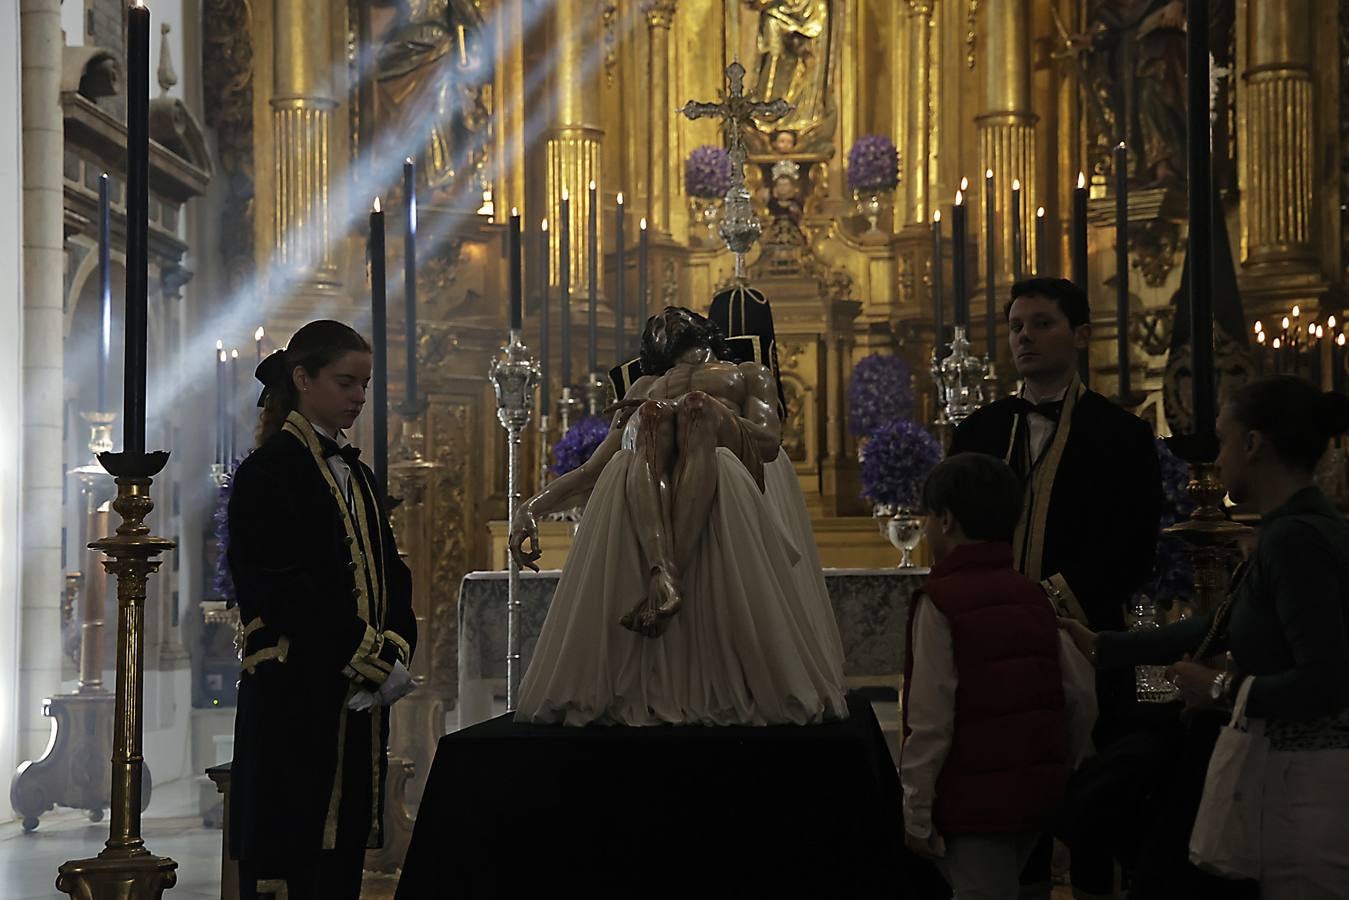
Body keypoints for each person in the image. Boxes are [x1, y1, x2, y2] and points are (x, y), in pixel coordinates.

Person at [1061, 376, 1349, 898]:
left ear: (1253, 445)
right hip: (1289, 776)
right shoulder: (1294, 525)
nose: (1215, 459)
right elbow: (1227, 620)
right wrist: (1107, 645)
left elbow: (1327, 681)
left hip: (1303, 784)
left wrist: (1215, 688)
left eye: (1222, 440)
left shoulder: (1294, 540)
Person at [509, 306, 846, 726]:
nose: (667, 316)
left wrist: (715, 413)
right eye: (657, 320)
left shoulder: (746, 372)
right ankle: (662, 573)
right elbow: (592, 471)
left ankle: (671, 574)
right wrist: (529, 508)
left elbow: (768, 443)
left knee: (696, 409)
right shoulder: (646, 386)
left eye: (678, 313)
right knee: (651, 416)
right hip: (655, 476)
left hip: (724, 457)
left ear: (705, 328)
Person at [948, 277, 1162, 896]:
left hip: (1089, 636)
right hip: (992, 643)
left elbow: (1134, 545)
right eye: (1016, 326)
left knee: (1094, 784)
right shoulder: (980, 432)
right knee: (1008, 783)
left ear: (1081, 335)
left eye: (1042, 323)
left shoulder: (1122, 436)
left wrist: (1052, 605)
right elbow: (955, 533)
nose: (1025, 337)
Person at [227, 320, 417, 900]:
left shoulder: (357, 475)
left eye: (363, 384)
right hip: (297, 693)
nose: (359, 397)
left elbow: (394, 576)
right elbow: (279, 589)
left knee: (342, 863)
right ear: (303, 379)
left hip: (352, 707)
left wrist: (395, 647)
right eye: (345, 383)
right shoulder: (271, 470)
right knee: (294, 857)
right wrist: (368, 661)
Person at [902, 452, 1097, 900]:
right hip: (1037, 801)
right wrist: (1058, 777)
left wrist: (915, 811)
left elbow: (931, 722)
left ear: (946, 520)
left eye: (928, 517)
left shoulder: (939, 602)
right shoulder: (1035, 597)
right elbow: (1081, 698)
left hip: (972, 808)